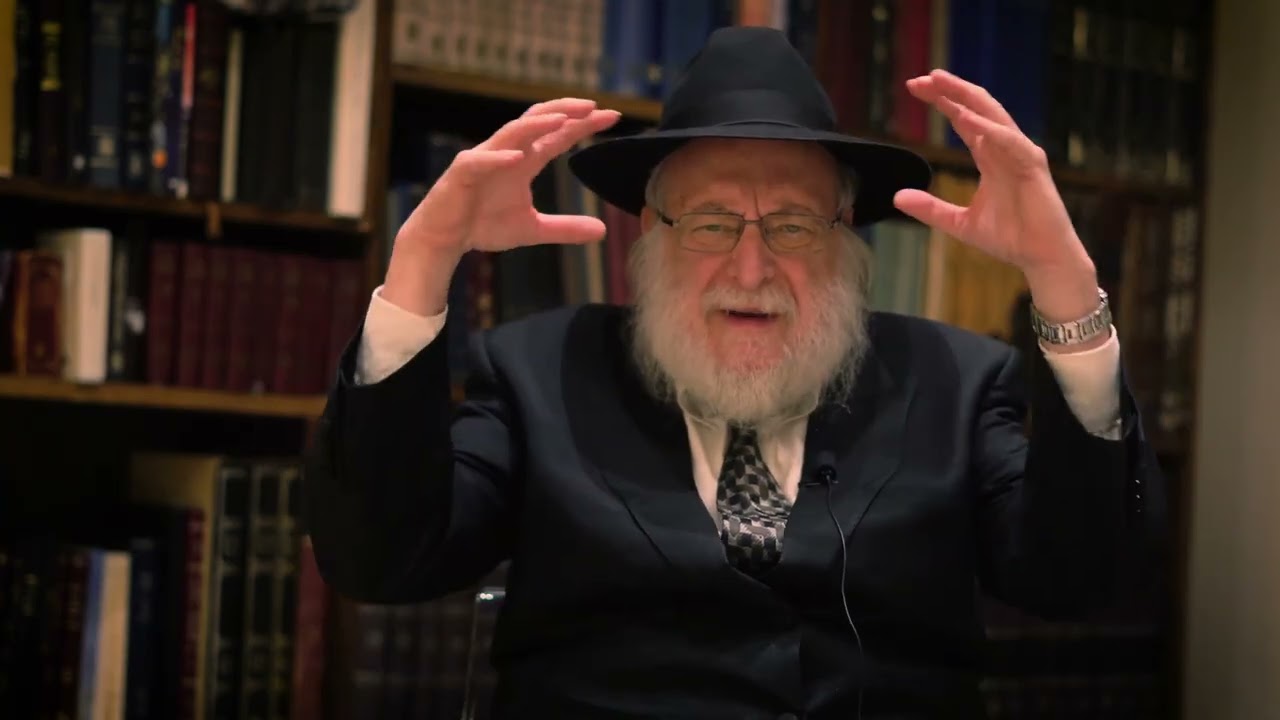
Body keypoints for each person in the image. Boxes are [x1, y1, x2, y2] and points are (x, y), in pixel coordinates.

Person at [304, 26, 1164, 720]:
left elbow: (1082, 578)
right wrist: (422, 264)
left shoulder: (954, 380)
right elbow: (380, 561)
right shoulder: (541, 373)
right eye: (712, 224)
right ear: (652, 233)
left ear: (845, 239)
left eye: (792, 226)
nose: (751, 271)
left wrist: (1065, 286)